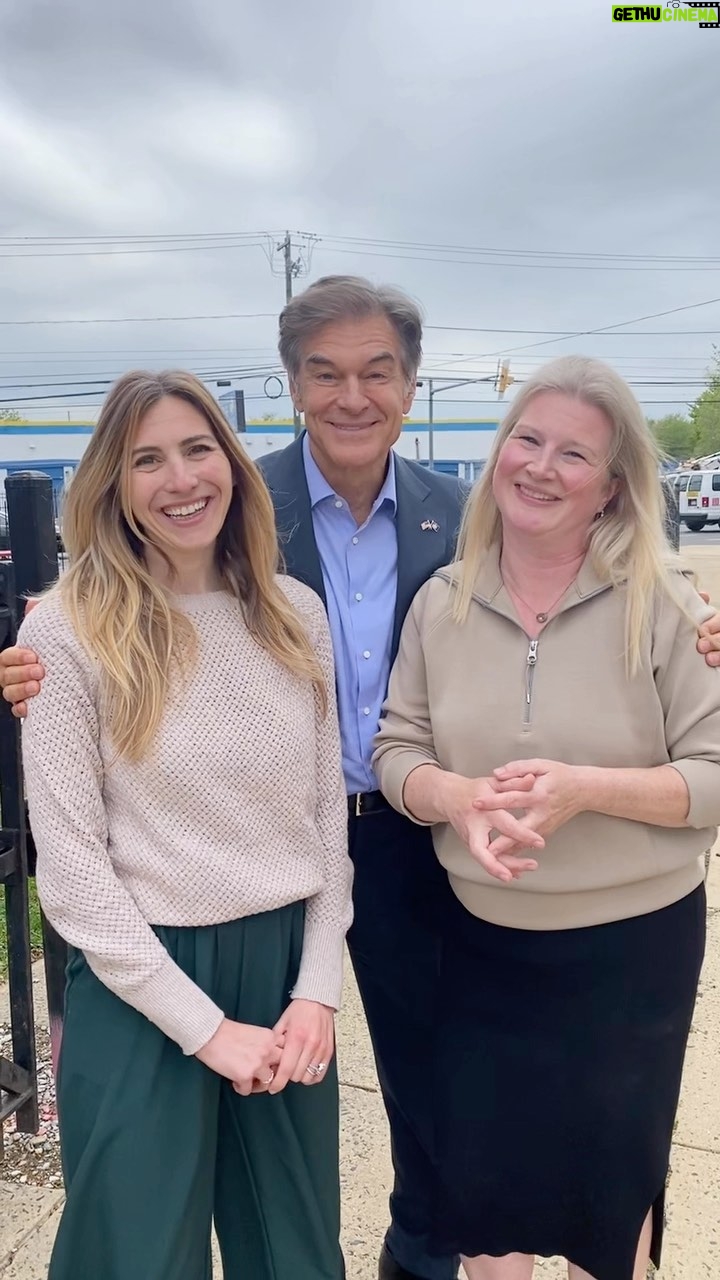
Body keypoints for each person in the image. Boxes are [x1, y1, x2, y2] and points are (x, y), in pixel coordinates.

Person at [5, 281, 720, 1280]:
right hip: (260, 855)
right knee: (149, 1213)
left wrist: (694, 619)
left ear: (410, 385)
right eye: (326, 372)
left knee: (443, 1103)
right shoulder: (229, 503)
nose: (353, 395)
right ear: (292, 384)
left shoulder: (464, 515)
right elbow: (116, 615)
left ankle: (421, 1263)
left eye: (378, 371)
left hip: (422, 843)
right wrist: (43, 642)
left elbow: (592, 565)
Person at [371, 354, 720, 1280]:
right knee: (487, 1195)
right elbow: (397, 749)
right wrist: (454, 798)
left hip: (632, 952)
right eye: (526, 440)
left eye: (574, 454)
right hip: (481, 944)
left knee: (610, 1195)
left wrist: (587, 789)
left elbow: (714, 773)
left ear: (611, 488)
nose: (540, 467)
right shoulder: (441, 602)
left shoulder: (667, 602)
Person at [16, 370, 353, 1280]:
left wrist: (318, 989)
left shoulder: (294, 615)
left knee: (295, 1253)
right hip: (140, 976)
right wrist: (203, 1028)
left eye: (199, 449)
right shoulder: (68, 633)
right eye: (147, 460)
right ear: (113, 484)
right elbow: (72, 867)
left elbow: (328, 819)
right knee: (134, 1253)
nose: (181, 479)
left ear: (232, 464)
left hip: (282, 969)